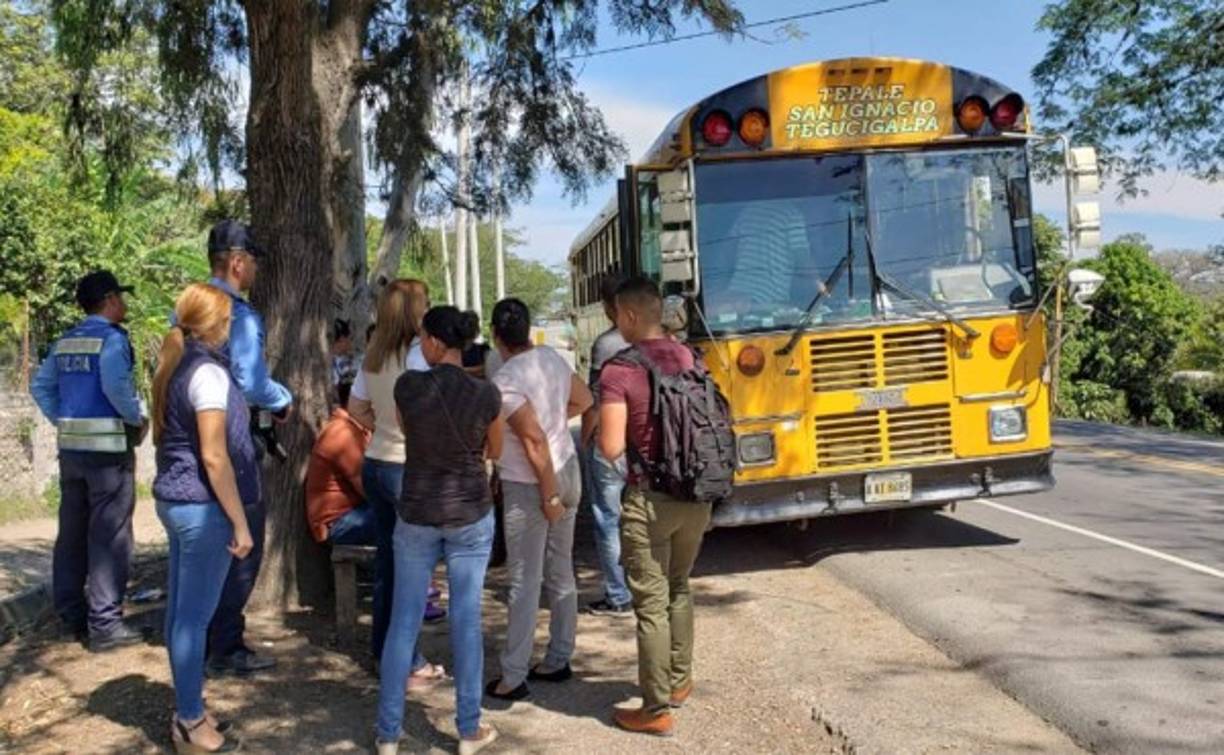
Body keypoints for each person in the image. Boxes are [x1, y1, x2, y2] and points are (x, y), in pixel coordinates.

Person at [375, 306, 503, 755]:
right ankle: (469, 730)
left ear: (432, 341)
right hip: (470, 513)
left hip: (416, 512)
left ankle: (388, 734)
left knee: (402, 624)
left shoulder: (407, 388)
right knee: (466, 621)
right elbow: (496, 448)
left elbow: (412, 437)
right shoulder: (487, 394)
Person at [598, 277, 713, 736]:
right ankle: (680, 682)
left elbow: (609, 446)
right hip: (697, 495)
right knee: (679, 585)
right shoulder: (691, 356)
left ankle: (655, 707)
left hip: (650, 499)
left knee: (650, 604)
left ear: (626, 315)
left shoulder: (619, 370)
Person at [151, 283, 256, 753]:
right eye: (229, 321)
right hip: (201, 507)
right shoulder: (208, 376)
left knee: (181, 614)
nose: (232, 329)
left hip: (176, 501)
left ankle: (190, 703)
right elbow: (215, 458)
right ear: (214, 325)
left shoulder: (177, 366)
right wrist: (239, 522)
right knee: (193, 619)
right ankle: (191, 721)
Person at [30, 270, 148, 651]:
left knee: (72, 533)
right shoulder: (111, 341)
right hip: (108, 454)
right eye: (122, 298)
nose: (125, 305)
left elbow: (40, 386)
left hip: (72, 453)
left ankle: (71, 615)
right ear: (111, 300)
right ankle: (105, 625)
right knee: (109, 537)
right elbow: (116, 387)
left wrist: (61, 418)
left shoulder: (66, 341)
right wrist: (137, 417)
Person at [486, 299, 593, 701]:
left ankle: (513, 675)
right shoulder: (551, 359)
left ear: (496, 336)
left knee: (524, 581)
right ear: (528, 330)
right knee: (561, 569)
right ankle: (559, 656)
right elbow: (584, 400)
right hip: (568, 468)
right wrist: (555, 422)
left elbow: (532, 442)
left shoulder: (506, 380)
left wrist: (547, 493)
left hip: (532, 484)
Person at [203, 219, 292, 677]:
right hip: (233, 442)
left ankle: (203, 636)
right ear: (237, 262)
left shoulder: (190, 309)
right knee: (244, 542)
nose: (255, 269)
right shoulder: (238, 314)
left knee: (207, 546)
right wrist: (284, 400)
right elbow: (252, 382)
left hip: (194, 439)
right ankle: (226, 647)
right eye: (252, 260)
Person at [348, 279, 446, 676]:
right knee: (415, 568)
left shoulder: (374, 354)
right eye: (424, 303)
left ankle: (382, 649)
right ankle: (407, 660)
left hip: (375, 463)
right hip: (409, 468)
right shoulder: (420, 356)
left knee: (389, 565)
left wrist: (381, 426)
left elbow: (356, 406)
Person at [579, 275, 633, 617]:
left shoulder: (606, 345)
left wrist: (586, 435)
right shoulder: (659, 340)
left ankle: (619, 594)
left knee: (608, 518)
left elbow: (596, 400)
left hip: (612, 443)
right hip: (646, 441)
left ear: (609, 306)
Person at [305, 380, 374, 546]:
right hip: (339, 523)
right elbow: (370, 489)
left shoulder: (358, 429)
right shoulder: (342, 433)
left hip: (354, 513)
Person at [331, 319, 358, 391]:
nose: (350, 344)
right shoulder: (334, 362)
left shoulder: (348, 359)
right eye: (350, 339)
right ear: (342, 339)